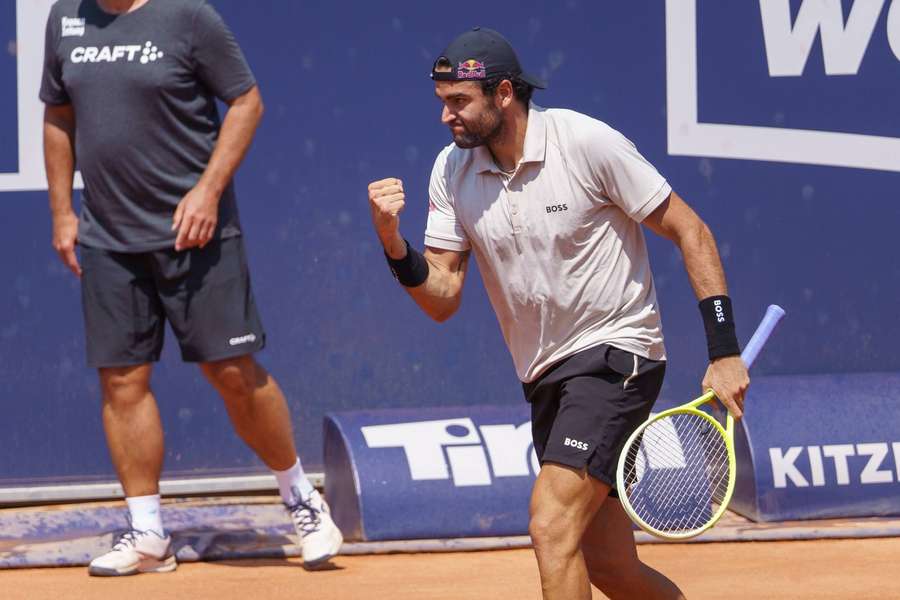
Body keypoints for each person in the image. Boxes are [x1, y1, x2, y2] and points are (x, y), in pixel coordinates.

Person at [367, 27, 749, 600]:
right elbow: (443, 296)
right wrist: (394, 246)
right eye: (443, 103)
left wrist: (724, 352)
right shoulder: (452, 170)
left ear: (503, 94)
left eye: (458, 103)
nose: (446, 118)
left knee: (550, 525)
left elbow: (691, 231)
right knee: (610, 566)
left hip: (618, 354)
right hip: (546, 376)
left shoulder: (585, 142)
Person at [41, 0, 342, 576]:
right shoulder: (66, 18)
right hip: (108, 236)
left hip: (195, 233)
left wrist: (207, 191)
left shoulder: (189, 16)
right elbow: (58, 116)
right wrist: (62, 211)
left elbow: (247, 101)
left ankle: (302, 499)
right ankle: (148, 531)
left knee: (232, 372)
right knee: (122, 378)